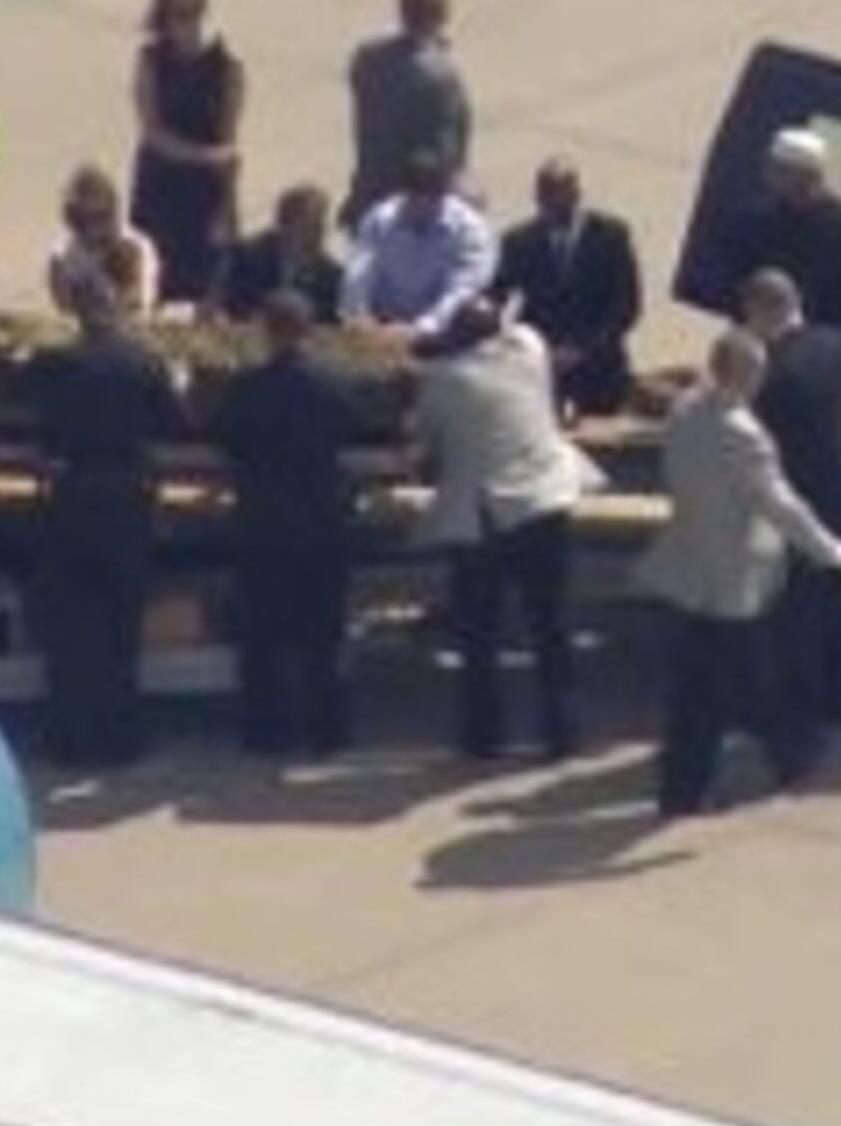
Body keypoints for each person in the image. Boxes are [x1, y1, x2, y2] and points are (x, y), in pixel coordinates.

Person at [641, 328, 841, 817]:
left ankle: (685, 788)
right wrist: (832, 551)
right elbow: (780, 504)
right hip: (736, 576)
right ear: (748, 375)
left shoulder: (686, 410)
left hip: (691, 562)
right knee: (753, 682)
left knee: (698, 687)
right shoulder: (744, 433)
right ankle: (791, 759)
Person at [409, 295, 601, 760]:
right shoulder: (531, 349)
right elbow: (515, 323)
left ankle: (483, 734)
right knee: (550, 625)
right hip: (546, 499)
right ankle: (562, 732)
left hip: (487, 513)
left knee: (480, 631)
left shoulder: (445, 380)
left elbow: (426, 448)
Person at [15, 263, 188, 769]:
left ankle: (68, 737)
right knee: (120, 626)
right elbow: (176, 424)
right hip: (125, 497)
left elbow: (19, 407)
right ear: (113, 305)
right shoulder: (142, 363)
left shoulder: (53, 363)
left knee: (69, 626)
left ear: (74, 308)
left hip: (69, 494)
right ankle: (119, 737)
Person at [216, 290, 362, 757]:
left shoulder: (246, 388)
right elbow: (354, 431)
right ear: (309, 330)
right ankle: (327, 731)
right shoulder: (334, 384)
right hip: (322, 520)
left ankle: (266, 732)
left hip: (263, 523)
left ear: (266, 331)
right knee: (323, 635)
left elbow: (224, 437)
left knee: (263, 637)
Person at [742, 267, 841, 740]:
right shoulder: (838, 345)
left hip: (795, 502)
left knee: (795, 613)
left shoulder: (771, 372)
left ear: (761, 311)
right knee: (839, 595)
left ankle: (798, 711)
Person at [128, 0, 246, 310]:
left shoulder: (226, 67)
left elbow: (229, 140)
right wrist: (205, 157)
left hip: (204, 190)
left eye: (193, 13)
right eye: (178, 14)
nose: (186, 23)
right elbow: (152, 132)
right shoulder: (151, 61)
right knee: (152, 279)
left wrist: (229, 204)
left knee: (210, 284)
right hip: (161, 183)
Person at [494, 156, 644, 421]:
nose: (550, 206)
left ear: (576, 195)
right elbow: (496, 297)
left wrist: (582, 350)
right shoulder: (519, 242)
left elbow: (626, 306)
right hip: (540, 367)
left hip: (599, 370)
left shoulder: (611, 236)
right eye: (544, 198)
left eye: (558, 196)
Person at [706, 126, 841, 338]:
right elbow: (731, 278)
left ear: (805, 176)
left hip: (813, 342)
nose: (768, 175)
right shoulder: (758, 218)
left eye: (779, 170)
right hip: (755, 334)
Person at [344, 0, 469, 222]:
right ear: (442, 14)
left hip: (368, 195)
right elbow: (445, 152)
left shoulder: (367, 59)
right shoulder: (440, 75)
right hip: (414, 208)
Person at [342, 147, 495, 341]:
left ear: (443, 195)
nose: (422, 206)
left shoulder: (471, 231)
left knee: (478, 311)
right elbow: (359, 273)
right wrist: (360, 314)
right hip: (382, 324)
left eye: (431, 198)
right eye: (415, 197)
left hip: (444, 329)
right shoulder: (379, 220)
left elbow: (463, 290)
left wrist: (421, 328)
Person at [43, 161, 161, 320]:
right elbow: (64, 307)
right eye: (82, 222)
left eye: (99, 218)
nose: (93, 231)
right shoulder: (62, 255)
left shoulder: (135, 248)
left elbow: (136, 304)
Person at [217, 182, 345, 324]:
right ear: (284, 225)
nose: (317, 234)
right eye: (308, 226)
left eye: (320, 225)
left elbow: (331, 318)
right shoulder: (248, 257)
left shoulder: (331, 275)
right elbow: (232, 303)